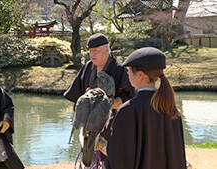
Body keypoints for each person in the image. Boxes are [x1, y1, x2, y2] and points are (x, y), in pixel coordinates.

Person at [106, 47, 187, 169]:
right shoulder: (171, 110)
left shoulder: (127, 110)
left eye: (130, 70)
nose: (127, 73)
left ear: (140, 75)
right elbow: (178, 157)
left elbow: (118, 157)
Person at [64, 33, 135, 168]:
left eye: (96, 51)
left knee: (111, 159)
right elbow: (76, 94)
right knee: (89, 159)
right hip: (89, 125)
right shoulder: (87, 67)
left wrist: (111, 104)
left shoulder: (119, 69)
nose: (92, 54)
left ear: (106, 50)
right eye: (90, 51)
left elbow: (130, 96)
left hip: (112, 124)